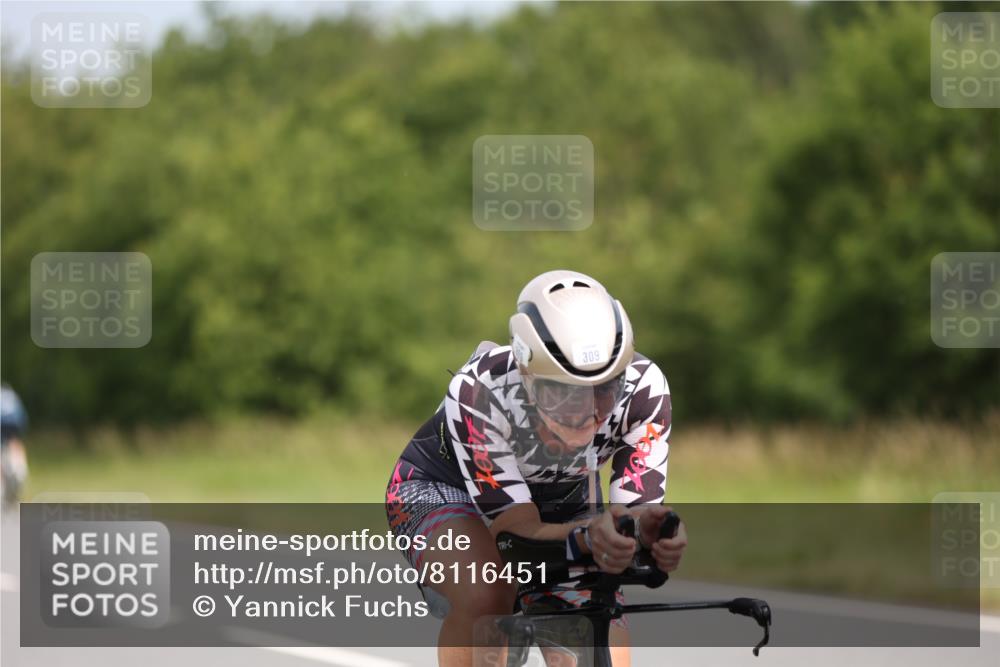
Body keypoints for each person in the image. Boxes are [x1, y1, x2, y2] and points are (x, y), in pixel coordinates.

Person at [384, 270, 687, 667]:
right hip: (442, 489)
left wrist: (651, 533)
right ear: (527, 373)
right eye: (564, 392)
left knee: (596, 626)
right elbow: (515, 535)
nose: (590, 413)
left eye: (606, 388)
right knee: (488, 592)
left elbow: (631, 516)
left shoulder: (645, 390)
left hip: (563, 499)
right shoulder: (480, 390)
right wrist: (586, 539)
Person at [1, 383, 30, 509]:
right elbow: (22, 418)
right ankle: (19, 469)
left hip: (5, 423)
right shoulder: (11, 394)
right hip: (15, 424)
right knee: (15, 442)